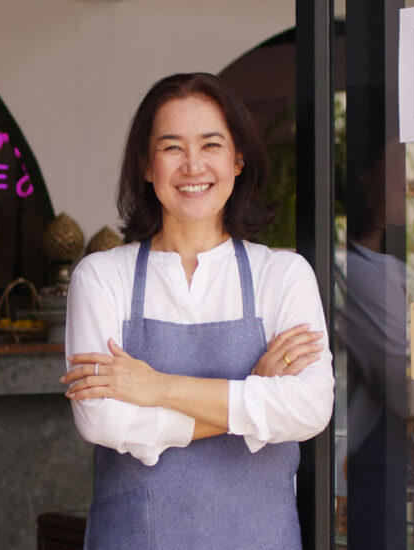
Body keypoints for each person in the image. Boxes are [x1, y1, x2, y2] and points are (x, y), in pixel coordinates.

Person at [61, 72, 334, 550]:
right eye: (171, 148)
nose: (193, 166)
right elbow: (101, 421)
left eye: (211, 145)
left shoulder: (283, 275)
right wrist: (254, 395)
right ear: (147, 166)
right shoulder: (102, 277)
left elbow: (310, 410)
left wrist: (157, 387)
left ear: (237, 159)